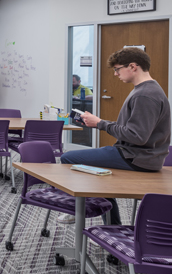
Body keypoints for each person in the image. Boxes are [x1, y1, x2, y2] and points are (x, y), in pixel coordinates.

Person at [58, 48, 170, 225]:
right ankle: (112, 226)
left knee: (67, 158)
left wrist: (100, 123)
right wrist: (98, 121)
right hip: (140, 155)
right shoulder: (145, 90)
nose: (116, 74)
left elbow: (137, 136)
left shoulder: (145, 95)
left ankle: (77, 208)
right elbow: (134, 129)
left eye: (117, 69)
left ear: (133, 66)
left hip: (135, 157)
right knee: (102, 176)